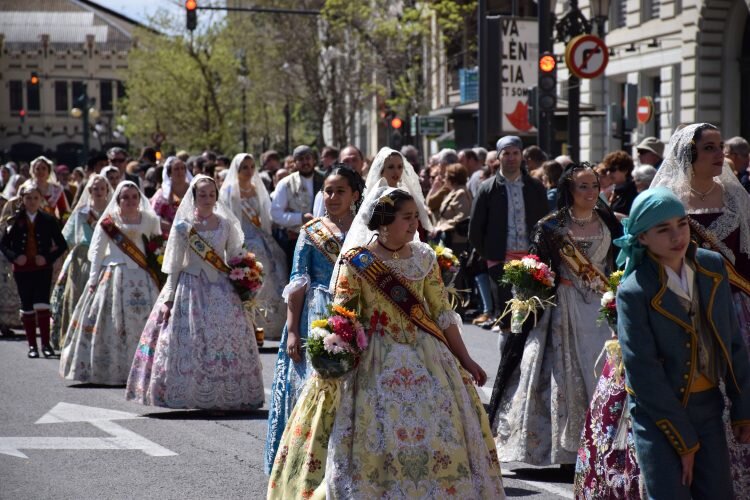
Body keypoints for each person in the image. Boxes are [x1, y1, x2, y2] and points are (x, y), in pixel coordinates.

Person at [267, 186, 504, 498]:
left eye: (415, 217)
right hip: (373, 361)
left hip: (428, 359)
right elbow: (343, 316)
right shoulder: (357, 261)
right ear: (384, 221)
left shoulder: (425, 258)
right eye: (406, 218)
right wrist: (335, 355)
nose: (413, 224)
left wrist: (466, 359)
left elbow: (442, 314)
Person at [615, 187, 750, 499]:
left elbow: (732, 341)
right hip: (660, 414)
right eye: (663, 229)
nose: (677, 235)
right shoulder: (634, 290)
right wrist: (683, 440)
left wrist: (742, 406)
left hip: (709, 407)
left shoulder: (711, 266)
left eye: (682, 224)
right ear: (643, 237)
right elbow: (643, 371)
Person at [493, 164, 622, 466]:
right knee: (562, 375)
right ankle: (566, 449)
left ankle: (605, 440)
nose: (591, 192)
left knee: (604, 368)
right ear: (569, 190)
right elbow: (535, 265)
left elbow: (619, 260)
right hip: (564, 306)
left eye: (594, 185)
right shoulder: (551, 226)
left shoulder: (608, 220)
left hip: (602, 305)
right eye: (583, 187)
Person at [651, 122, 750, 496]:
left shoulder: (737, 196)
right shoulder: (667, 197)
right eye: (709, 147)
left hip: (734, 304)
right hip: (682, 304)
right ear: (688, 153)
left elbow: (746, 256)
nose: (718, 154)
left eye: (720, 146)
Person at [125, 176, 265, 410]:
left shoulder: (226, 224)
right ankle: (187, 392)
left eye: (212, 194)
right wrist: (169, 298)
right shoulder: (184, 227)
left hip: (222, 288)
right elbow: (175, 265)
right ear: (194, 197)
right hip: (190, 288)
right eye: (203, 195)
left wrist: (245, 278)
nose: (208, 199)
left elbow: (233, 256)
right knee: (190, 339)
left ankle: (229, 393)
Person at [264, 165, 364, 474]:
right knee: (311, 386)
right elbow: (297, 284)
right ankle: (306, 463)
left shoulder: (368, 232)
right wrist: (292, 330)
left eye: (340, 191)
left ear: (355, 195)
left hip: (356, 313)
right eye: (328, 191)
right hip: (315, 316)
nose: (333, 197)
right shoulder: (311, 232)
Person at [60, 181, 161, 385]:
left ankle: (146, 369)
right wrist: (93, 278)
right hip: (114, 275)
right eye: (126, 197)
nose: (131, 201)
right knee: (112, 324)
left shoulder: (150, 219)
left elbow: (157, 248)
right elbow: (97, 252)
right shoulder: (108, 222)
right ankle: (111, 370)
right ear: (118, 199)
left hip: (143, 278)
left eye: (134, 197)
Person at [469, 135, 548, 332]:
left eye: (515, 153)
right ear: (499, 157)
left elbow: (546, 223)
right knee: (507, 315)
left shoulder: (535, 187)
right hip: (500, 261)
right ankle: (507, 359)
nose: (511, 157)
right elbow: (475, 229)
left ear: (522, 156)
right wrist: (489, 254)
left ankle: (527, 360)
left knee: (530, 316)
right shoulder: (487, 188)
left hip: (531, 260)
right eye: (506, 153)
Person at [220, 153, 288, 341]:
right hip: (241, 239)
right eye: (245, 168)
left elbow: (267, 216)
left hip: (262, 238)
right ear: (237, 170)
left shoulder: (258, 188)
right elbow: (227, 219)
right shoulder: (228, 192)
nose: (249, 171)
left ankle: (269, 326)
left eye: (252, 167)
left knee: (272, 275)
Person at [0, 183, 68, 358]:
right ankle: (32, 346)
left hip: (42, 268)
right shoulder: (15, 221)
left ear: (41, 200)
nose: (32, 201)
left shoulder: (48, 220)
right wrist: (15, 257)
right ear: (22, 199)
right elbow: (4, 244)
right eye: (28, 198)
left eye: (35, 198)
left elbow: (62, 245)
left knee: (42, 304)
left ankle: (46, 345)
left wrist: (47, 257)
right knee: (27, 306)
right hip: (22, 269)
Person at [49, 175, 112, 350]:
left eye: (102, 188)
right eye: (95, 188)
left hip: (107, 258)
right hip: (83, 258)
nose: (98, 191)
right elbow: (67, 237)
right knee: (77, 297)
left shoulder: (113, 211)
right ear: (89, 191)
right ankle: (74, 340)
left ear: (107, 190)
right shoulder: (82, 211)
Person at [270, 145, 325, 270]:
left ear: (314, 160)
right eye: (300, 159)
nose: (305, 162)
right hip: (296, 242)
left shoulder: (326, 180)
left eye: (308, 158)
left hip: (324, 241)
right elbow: (275, 213)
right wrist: (300, 218)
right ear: (294, 163)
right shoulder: (286, 183)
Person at [431, 163, 472, 254]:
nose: (444, 179)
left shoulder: (461, 193)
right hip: (450, 239)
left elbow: (463, 217)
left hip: (456, 241)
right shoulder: (455, 191)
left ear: (453, 178)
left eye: (446, 176)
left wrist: (441, 227)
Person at [151, 156, 192, 236]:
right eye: (176, 169)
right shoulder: (162, 194)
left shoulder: (194, 191)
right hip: (169, 236)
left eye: (182, 168)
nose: (180, 171)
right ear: (169, 173)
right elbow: (153, 217)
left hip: (193, 235)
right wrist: (173, 227)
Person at [602, 151, 637, 217]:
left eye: (612, 170)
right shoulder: (613, 190)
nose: (608, 173)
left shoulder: (633, 191)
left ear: (625, 170)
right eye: (607, 170)